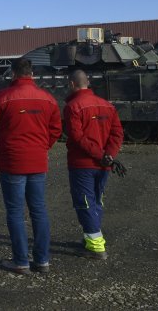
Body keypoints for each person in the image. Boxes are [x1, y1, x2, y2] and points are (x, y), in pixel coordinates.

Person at [0, 58, 62, 275]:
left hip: (12, 161)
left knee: (16, 212)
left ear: (14, 74)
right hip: (37, 160)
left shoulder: (3, 97)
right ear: (32, 74)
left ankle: (21, 261)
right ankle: (42, 260)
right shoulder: (48, 99)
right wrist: (43, 146)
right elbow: (56, 129)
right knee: (39, 210)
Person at [63, 69, 124, 260]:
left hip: (83, 164)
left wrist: (99, 155)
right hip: (104, 165)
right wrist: (108, 155)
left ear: (72, 84)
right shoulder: (107, 105)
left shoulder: (73, 106)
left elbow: (77, 136)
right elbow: (117, 134)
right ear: (87, 83)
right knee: (97, 200)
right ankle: (91, 236)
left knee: (84, 202)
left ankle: (96, 246)